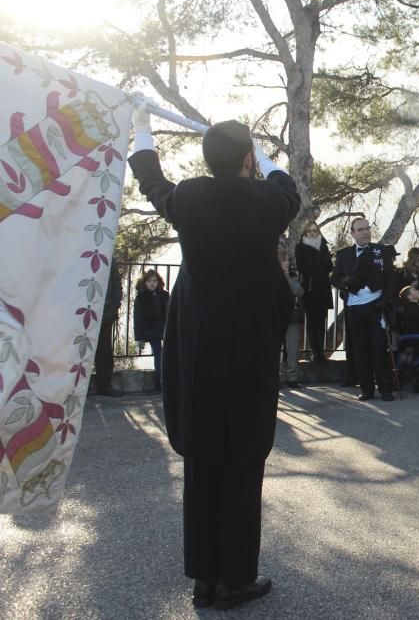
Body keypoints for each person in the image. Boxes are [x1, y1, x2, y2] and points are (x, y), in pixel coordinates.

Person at [128, 108, 300, 610]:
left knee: (204, 465)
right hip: (247, 351)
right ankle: (236, 578)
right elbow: (286, 186)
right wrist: (265, 159)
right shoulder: (268, 202)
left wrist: (141, 127)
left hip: (199, 349)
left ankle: (204, 578)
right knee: (243, 464)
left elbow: (151, 179)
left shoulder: (189, 197)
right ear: (247, 158)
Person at [331, 217, 399, 401]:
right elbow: (335, 278)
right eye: (360, 229)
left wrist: (384, 301)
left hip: (376, 306)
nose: (365, 232)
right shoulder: (343, 254)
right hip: (354, 308)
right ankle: (366, 389)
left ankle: (386, 388)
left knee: (379, 348)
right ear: (352, 233)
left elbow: (391, 279)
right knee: (360, 350)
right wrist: (345, 283)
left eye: (367, 228)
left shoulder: (381, 251)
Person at [294, 222, 333, 363]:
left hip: (322, 288)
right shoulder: (300, 246)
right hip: (309, 289)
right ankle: (315, 353)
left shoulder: (323, 246)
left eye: (314, 230)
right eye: (309, 230)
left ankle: (320, 353)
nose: (312, 232)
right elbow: (301, 266)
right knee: (311, 323)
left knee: (321, 322)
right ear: (305, 232)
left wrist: (322, 256)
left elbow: (329, 266)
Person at [89, 258, 124, 397]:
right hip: (83, 313)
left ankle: (105, 386)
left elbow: (117, 285)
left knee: (104, 351)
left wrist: (112, 308)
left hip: (105, 312)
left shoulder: (109, 257)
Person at [133, 268, 170, 391]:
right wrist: (139, 338)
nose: (152, 283)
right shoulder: (141, 297)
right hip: (151, 330)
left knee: (168, 354)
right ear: (144, 283)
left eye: (154, 281)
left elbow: (170, 312)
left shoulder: (165, 295)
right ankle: (161, 380)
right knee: (158, 352)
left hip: (165, 329)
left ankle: (168, 378)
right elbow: (138, 319)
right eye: (149, 281)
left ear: (159, 282)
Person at [279, 250, 304, 389]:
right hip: (275, 316)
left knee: (293, 349)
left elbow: (299, 292)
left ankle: (292, 378)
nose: (287, 263)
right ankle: (275, 377)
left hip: (291, 316)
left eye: (288, 260)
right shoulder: (271, 276)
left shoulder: (293, 276)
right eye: (283, 260)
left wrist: (288, 278)